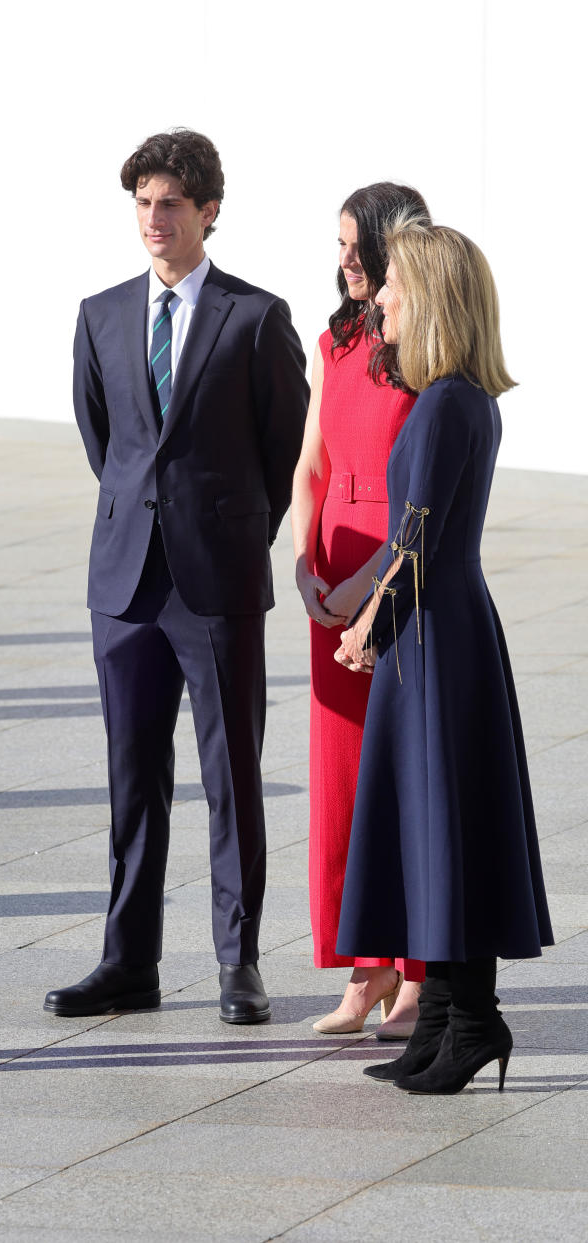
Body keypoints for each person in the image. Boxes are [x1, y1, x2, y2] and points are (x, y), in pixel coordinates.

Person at [44, 129, 309, 1024]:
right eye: (143, 203)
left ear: (209, 212)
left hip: (217, 580)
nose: (153, 219)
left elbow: (283, 454)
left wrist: (232, 532)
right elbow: (106, 442)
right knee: (133, 779)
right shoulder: (100, 312)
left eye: (170, 204)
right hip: (124, 586)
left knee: (232, 774)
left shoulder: (257, 316)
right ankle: (129, 962)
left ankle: (239, 962)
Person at [334, 217, 553, 1093]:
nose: (378, 297)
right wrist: (370, 620)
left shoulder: (444, 405)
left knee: (444, 822)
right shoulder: (459, 400)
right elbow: (414, 543)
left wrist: (369, 629)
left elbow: (415, 544)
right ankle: (448, 1022)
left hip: (434, 636)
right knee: (434, 825)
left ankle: (470, 1023)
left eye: (390, 285)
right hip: (439, 630)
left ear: (423, 296)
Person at [290, 184, 430, 1039]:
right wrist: (306, 560)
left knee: (402, 776)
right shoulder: (335, 339)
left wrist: (366, 590)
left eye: (358, 245)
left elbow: (421, 494)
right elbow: (312, 460)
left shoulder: (422, 344)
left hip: (396, 569)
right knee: (340, 780)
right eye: (338, 244)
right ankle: (363, 967)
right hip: (332, 564)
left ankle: (418, 971)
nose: (345, 259)